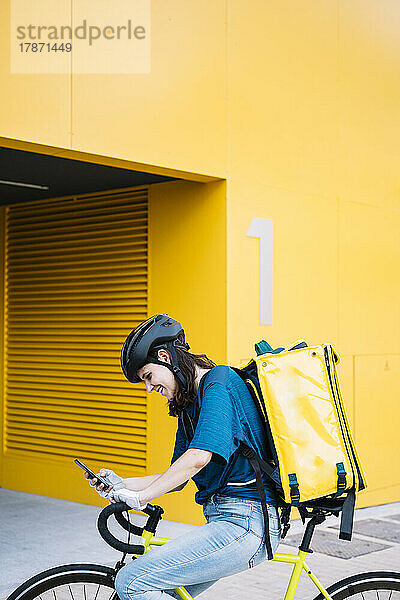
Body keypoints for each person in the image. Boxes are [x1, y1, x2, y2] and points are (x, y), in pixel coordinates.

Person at [86, 313, 281, 600]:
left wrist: (142, 497)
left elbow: (198, 458)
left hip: (246, 524)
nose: (149, 389)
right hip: (225, 522)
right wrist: (121, 485)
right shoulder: (188, 404)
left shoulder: (220, 383)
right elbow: (176, 477)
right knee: (167, 592)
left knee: (131, 582)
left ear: (165, 356)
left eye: (148, 377)